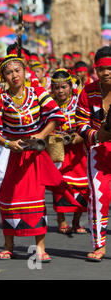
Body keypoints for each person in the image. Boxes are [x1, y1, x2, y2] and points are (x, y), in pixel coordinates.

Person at [0, 54, 66, 262]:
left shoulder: (37, 93)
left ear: (25, 72)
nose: (14, 75)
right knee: (8, 197)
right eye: (9, 72)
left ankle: (40, 247)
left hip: (34, 154)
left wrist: (40, 136)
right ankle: (8, 245)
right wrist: (8, 143)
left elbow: (56, 117)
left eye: (17, 70)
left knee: (35, 198)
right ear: (3, 76)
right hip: (12, 154)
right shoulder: (1, 98)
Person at [75, 46, 111, 262]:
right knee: (98, 197)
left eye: (110, 68)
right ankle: (99, 245)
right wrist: (98, 136)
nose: (106, 73)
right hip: (98, 151)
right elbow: (79, 123)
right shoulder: (88, 91)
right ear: (95, 70)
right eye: (101, 69)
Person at [49, 69, 88, 234]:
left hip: (78, 150)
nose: (60, 91)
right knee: (60, 185)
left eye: (63, 87)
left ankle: (76, 221)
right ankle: (61, 219)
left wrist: (77, 136)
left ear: (70, 87)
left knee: (83, 186)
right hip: (58, 150)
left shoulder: (79, 102)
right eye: (57, 88)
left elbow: (87, 122)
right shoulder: (49, 104)